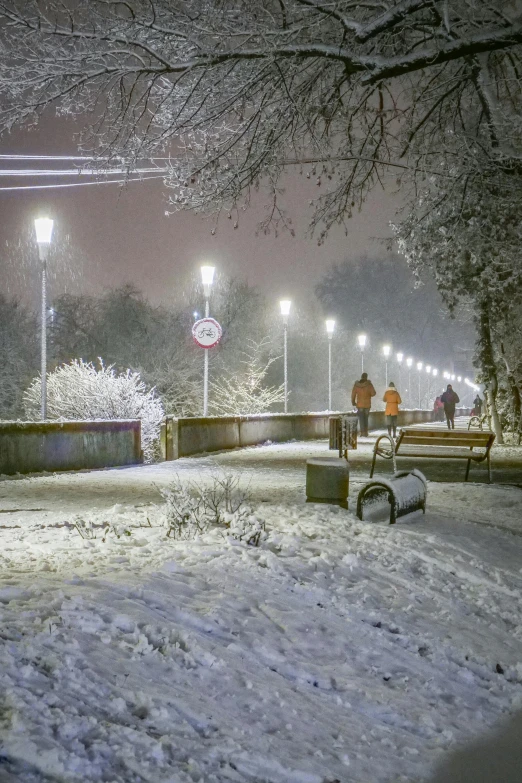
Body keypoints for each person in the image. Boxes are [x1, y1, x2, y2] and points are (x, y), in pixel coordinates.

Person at [351, 372, 376, 437]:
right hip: (367, 405)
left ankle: (362, 432)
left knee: (361, 419)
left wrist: (353, 402)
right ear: (366, 377)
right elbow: (373, 393)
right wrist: (368, 394)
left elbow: (353, 394)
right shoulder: (369, 384)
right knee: (366, 419)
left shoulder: (357, 385)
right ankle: (366, 432)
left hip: (359, 405)